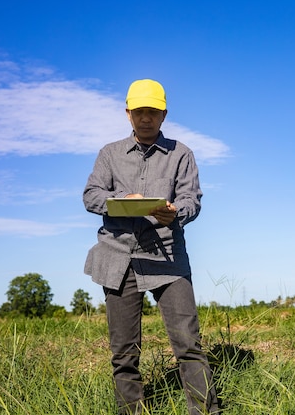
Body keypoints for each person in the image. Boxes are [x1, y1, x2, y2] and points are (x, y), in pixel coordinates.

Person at [83, 79, 219, 415]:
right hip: (118, 258)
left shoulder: (181, 153)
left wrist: (175, 211)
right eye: (140, 111)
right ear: (128, 114)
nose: (146, 118)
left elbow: (192, 200)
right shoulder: (109, 154)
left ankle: (204, 412)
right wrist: (121, 199)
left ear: (164, 114)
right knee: (124, 352)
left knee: (188, 344)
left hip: (167, 259)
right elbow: (91, 195)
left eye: (153, 112)